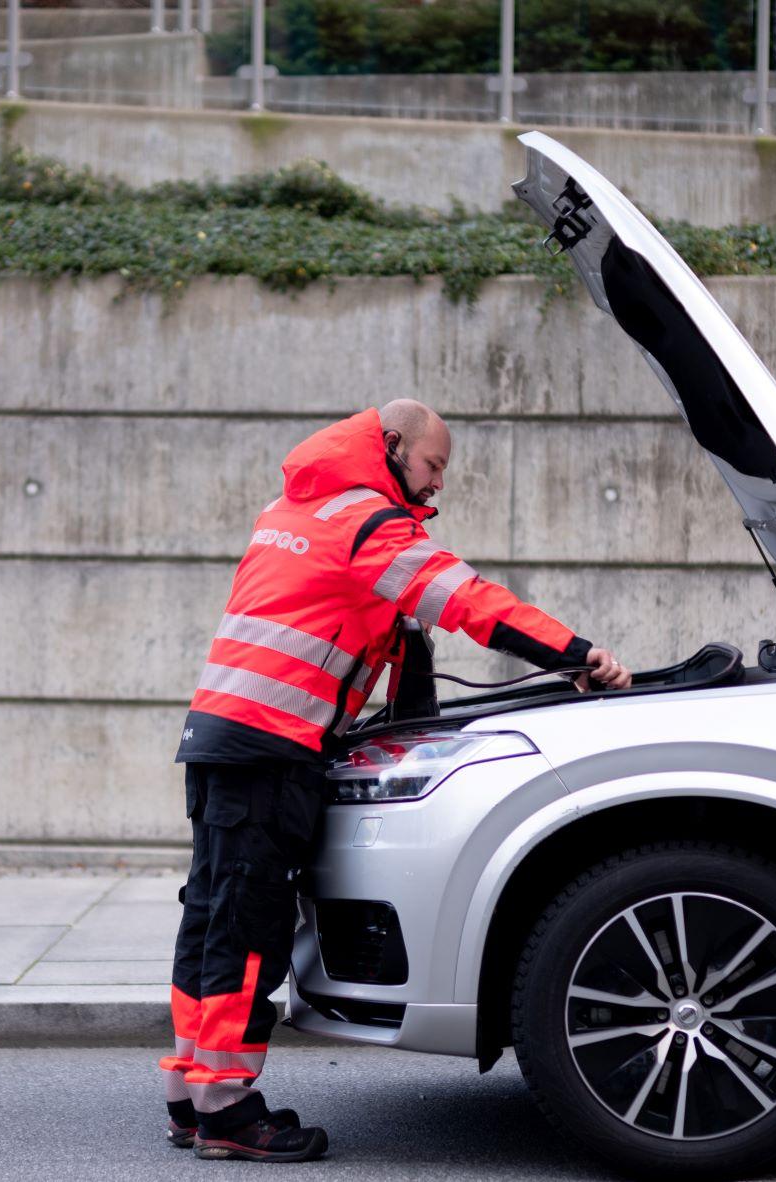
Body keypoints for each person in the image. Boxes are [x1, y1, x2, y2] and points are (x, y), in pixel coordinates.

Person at [160, 400, 632, 1162]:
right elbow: (468, 602)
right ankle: (228, 1106)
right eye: (431, 465)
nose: (435, 484)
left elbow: (362, 629)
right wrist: (578, 654)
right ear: (390, 447)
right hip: (275, 747)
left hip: (219, 735)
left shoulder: (294, 506)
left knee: (211, 913)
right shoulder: (369, 522)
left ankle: (190, 1092)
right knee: (249, 925)